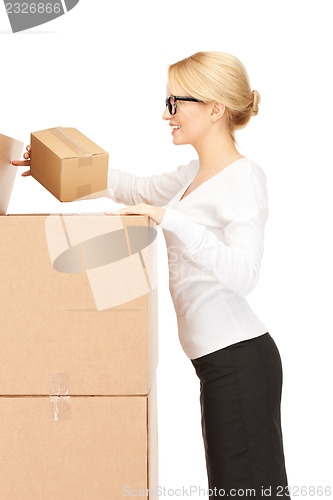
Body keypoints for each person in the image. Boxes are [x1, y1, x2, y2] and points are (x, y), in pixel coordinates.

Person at [12, 51, 291, 499]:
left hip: (240, 361)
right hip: (220, 364)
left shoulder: (243, 178)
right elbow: (133, 188)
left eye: (176, 104)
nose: (166, 115)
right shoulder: (193, 175)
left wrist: (171, 219)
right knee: (234, 489)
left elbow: (245, 274)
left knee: (246, 491)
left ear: (215, 108)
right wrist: (51, 165)